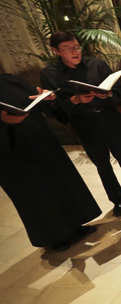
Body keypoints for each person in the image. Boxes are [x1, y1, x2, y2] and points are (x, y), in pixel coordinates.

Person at [40, 31, 121, 217]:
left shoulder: (97, 64)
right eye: (68, 49)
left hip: (109, 118)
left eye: (76, 47)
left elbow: (118, 91)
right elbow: (55, 108)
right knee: (102, 164)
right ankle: (118, 200)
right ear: (56, 51)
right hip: (84, 123)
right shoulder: (50, 74)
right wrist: (75, 100)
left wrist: (108, 94)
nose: (74, 52)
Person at [0, 73, 100, 251]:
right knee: (36, 194)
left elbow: (38, 102)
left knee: (58, 183)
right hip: (12, 153)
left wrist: (48, 98)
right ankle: (55, 236)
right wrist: (4, 122)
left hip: (40, 140)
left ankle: (75, 225)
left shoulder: (10, 80)